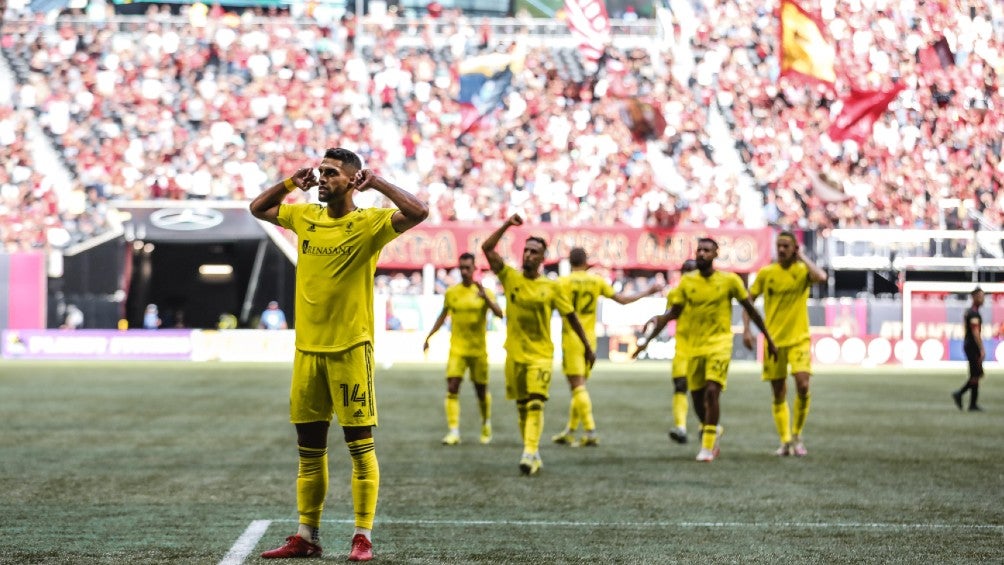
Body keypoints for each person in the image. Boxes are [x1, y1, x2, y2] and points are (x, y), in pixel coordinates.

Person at [249, 147, 429, 561]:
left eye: (331, 173)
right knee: (309, 449)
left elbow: (418, 212)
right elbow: (259, 208)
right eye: (321, 171)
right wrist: (292, 182)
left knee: (359, 447)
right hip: (307, 351)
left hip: (350, 349)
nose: (323, 178)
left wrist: (379, 182)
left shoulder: (370, 223)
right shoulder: (303, 216)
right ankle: (306, 535)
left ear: (352, 180)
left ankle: (362, 535)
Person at [633, 238, 777, 462]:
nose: (701, 253)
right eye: (699, 250)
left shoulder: (729, 280)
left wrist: (767, 338)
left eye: (706, 250)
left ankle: (707, 447)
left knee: (712, 391)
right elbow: (673, 313)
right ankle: (712, 428)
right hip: (693, 347)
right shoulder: (687, 283)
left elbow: (751, 309)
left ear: (715, 254)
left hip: (719, 344)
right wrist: (647, 339)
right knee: (698, 398)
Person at [481, 214, 595, 476]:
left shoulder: (552, 288)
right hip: (515, 355)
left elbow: (571, 317)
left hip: (541, 356)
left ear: (543, 259)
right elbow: (487, 249)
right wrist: (507, 225)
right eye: (527, 250)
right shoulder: (510, 277)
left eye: (535, 252)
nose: (529, 255)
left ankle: (529, 452)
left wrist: (588, 347)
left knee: (535, 403)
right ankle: (532, 451)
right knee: (522, 407)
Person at [551, 247, 663, 447]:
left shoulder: (562, 282)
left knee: (577, 387)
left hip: (572, 338)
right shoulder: (596, 281)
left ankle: (590, 430)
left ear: (570, 262)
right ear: (586, 262)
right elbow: (623, 300)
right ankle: (570, 431)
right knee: (580, 387)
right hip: (590, 339)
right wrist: (649, 291)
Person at [741, 232, 828, 456]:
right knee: (778, 392)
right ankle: (785, 441)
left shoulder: (802, 271)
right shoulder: (767, 273)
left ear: (795, 248)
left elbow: (821, 276)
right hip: (773, 341)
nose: (781, 250)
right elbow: (748, 300)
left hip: (799, 339)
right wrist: (747, 329)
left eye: (786, 246)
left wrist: (803, 258)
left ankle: (797, 435)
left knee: (803, 385)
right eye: (779, 246)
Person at [423, 252, 504, 446]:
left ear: (475, 269)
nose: (465, 271)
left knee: (481, 391)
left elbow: (500, 314)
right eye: (462, 268)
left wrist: (486, 298)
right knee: (452, 388)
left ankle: (486, 424)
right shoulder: (452, 293)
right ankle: (453, 432)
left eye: (468, 267)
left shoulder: (485, 291)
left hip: (478, 351)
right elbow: (443, 316)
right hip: (457, 350)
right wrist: (428, 337)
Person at [633, 259, 699, 445]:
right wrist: (646, 341)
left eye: (692, 271)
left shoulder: (708, 291)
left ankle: (707, 426)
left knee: (701, 391)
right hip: (683, 347)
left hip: (705, 347)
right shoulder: (676, 293)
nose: (688, 275)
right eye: (685, 272)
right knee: (680, 385)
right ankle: (681, 427)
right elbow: (667, 317)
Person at [952, 287, 986, 412]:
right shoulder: (973, 313)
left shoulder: (970, 311)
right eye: (981, 296)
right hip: (972, 346)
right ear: (975, 297)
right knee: (976, 374)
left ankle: (972, 404)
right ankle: (960, 394)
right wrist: (981, 348)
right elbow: (975, 332)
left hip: (969, 344)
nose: (983, 299)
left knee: (976, 374)